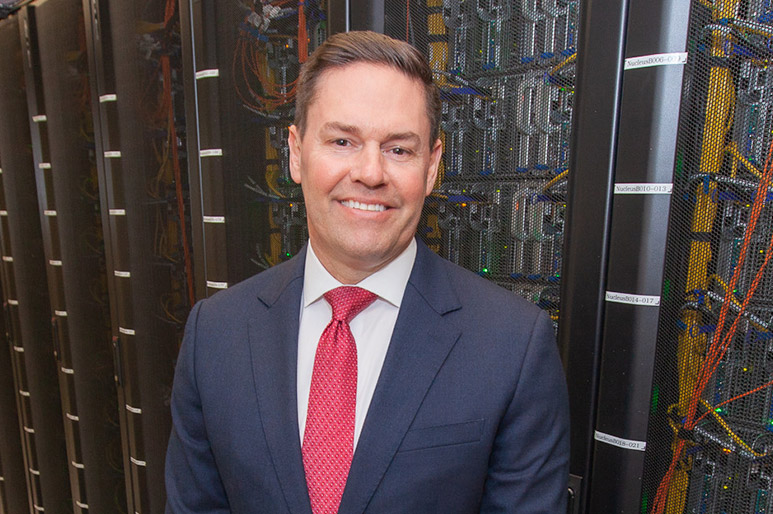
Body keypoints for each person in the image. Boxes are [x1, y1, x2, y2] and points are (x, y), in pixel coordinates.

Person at [165, 31, 568, 513]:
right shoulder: (215, 334)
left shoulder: (512, 346)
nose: (370, 173)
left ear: (432, 165)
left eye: (399, 149)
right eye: (342, 141)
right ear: (295, 153)